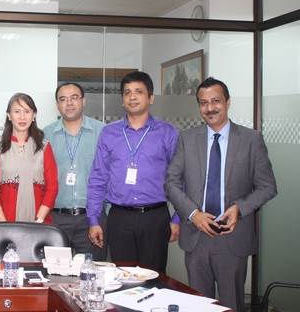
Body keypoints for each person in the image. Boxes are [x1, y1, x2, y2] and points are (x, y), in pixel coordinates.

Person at [165, 77, 277, 312]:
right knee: (198, 305)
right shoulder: (186, 139)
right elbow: (171, 183)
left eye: (216, 101)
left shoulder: (251, 140)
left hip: (233, 237)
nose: (210, 108)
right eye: (203, 102)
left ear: (227, 102)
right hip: (196, 237)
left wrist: (239, 208)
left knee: (230, 305)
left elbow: (267, 186)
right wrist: (193, 214)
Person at [87, 71, 179, 273]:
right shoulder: (109, 133)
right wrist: (93, 220)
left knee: (154, 280)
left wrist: (178, 218)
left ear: (151, 97)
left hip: (155, 217)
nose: (132, 97)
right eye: (127, 92)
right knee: (123, 278)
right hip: (120, 217)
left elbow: (181, 179)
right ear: (122, 100)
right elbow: (98, 178)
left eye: (139, 91)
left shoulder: (167, 132)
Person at [43, 83, 107, 259]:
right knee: (55, 274)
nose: (69, 103)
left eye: (74, 98)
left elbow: (110, 174)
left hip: (91, 217)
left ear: (83, 101)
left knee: (92, 275)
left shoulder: (102, 132)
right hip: (56, 218)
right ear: (57, 105)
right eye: (63, 99)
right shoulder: (45, 135)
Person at [0, 93, 58, 223]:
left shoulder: (44, 147)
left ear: (34, 115)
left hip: (39, 223)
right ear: (9, 115)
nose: (22, 117)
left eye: (27, 111)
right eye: (17, 111)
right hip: (5, 222)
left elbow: (52, 187)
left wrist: (39, 220)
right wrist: (3, 223)